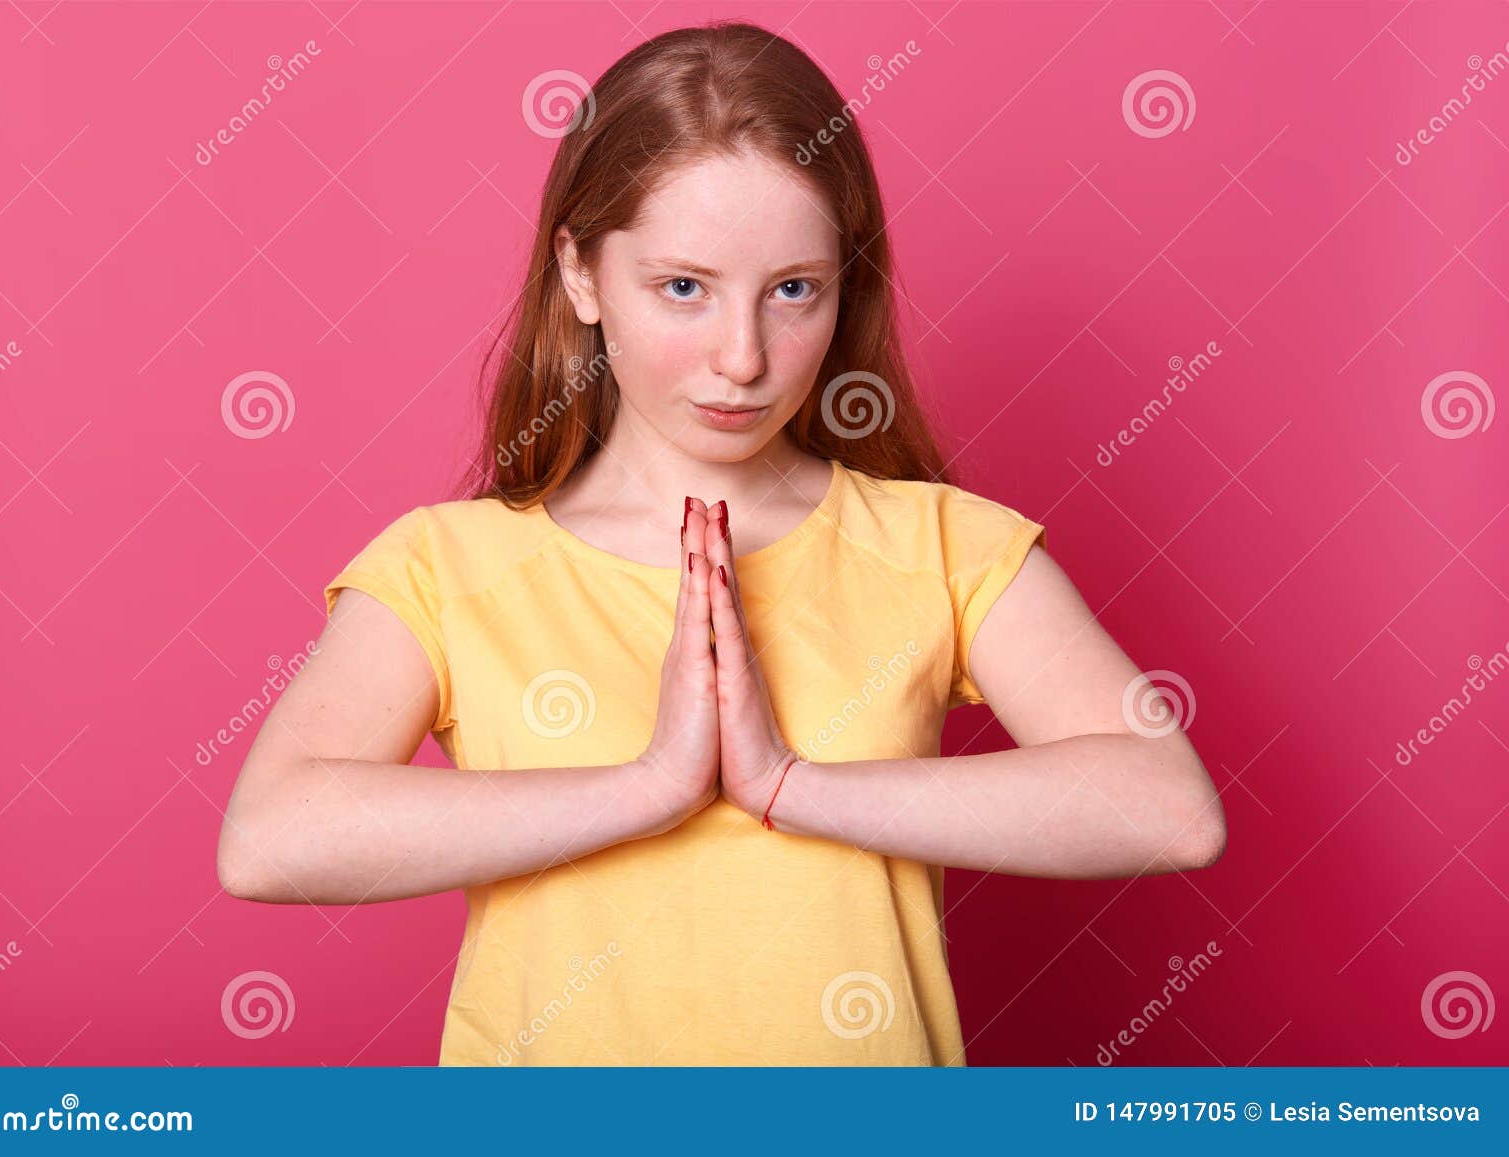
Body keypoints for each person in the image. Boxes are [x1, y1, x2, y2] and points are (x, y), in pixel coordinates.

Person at [215, 21, 1226, 1066]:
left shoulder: (940, 545)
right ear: (581, 273)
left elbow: (1168, 806)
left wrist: (788, 783)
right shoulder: (446, 566)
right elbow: (268, 835)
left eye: (793, 289)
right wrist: (649, 786)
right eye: (684, 288)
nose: (743, 358)